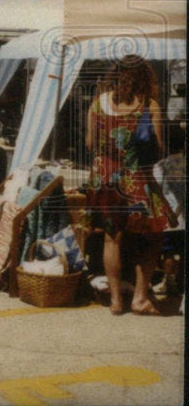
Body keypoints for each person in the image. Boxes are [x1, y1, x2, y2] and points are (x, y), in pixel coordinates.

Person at [85, 55, 173, 316]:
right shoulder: (149, 105)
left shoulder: (98, 103)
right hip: (135, 180)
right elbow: (156, 149)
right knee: (152, 237)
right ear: (145, 78)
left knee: (112, 238)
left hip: (104, 180)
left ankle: (115, 301)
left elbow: (90, 144)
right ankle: (140, 297)